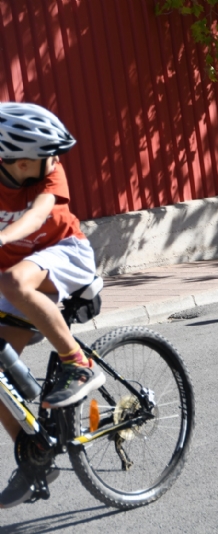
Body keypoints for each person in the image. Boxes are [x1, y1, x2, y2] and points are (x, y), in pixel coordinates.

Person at [0, 103, 104, 508]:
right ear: (20, 162)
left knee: (13, 280)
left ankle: (77, 362)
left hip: (64, 253)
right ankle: (33, 453)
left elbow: (38, 214)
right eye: (45, 155)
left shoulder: (51, 172)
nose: (55, 159)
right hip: (15, 274)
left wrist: (4, 236)